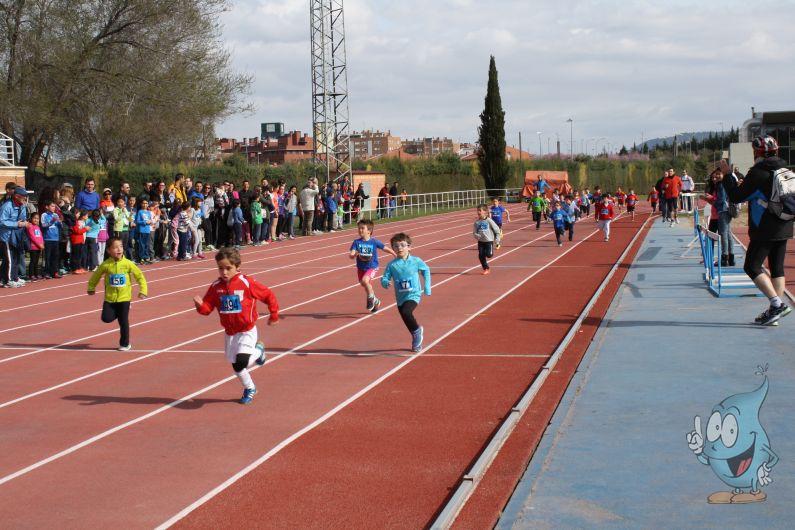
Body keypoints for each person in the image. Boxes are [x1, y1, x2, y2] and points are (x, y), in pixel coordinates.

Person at [719, 136, 793, 326]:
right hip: (785, 224)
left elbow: (736, 196)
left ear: (757, 153)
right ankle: (775, 312)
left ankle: (777, 305)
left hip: (765, 227)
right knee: (777, 268)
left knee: (751, 266)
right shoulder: (785, 170)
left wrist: (727, 175)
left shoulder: (758, 173)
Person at [193, 247, 280, 404]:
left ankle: (258, 352)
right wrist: (200, 306)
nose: (224, 272)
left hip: (247, 330)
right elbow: (207, 309)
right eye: (220, 268)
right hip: (230, 333)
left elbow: (268, 295)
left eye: (228, 268)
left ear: (237, 266)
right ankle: (250, 388)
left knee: (242, 362)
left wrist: (274, 314)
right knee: (237, 367)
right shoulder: (216, 287)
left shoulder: (247, 283)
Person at [87, 237, 148, 351]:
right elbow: (96, 276)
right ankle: (119, 313)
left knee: (123, 321)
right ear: (109, 250)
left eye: (121, 246)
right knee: (106, 318)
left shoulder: (128, 263)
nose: (119, 249)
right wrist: (91, 287)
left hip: (124, 298)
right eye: (115, 247)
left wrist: (143, 290)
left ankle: (125, 344)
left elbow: (140, 276)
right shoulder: (106, 265)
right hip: (110, 298)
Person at [381, 233, 432, 352]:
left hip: (414, 294)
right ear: (393, 249)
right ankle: (415, 336)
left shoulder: (416, 261)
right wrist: (385, 282)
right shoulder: (392, 265)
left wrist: (427, 287)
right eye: (396, 246)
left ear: (409, 247)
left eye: (402, 245)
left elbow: (426, 271)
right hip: (400, 297)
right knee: (405, 316)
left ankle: (417, 332)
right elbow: (385, 277)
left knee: (406, 312)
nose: (399, 248)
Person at [350, 219, 397, 313]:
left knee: (365, 281)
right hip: (361, 268)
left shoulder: (374, 242)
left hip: (372, 267)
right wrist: (354, 255)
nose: (360, 230)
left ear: (369, 231)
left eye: (362, 228)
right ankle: (375, 301)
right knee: (364, 284)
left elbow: (384, 248)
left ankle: (371, 298)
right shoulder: (356, 242)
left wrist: (394, 253)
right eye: (359, 228)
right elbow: (351, 255)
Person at [0, 186, 28, 287]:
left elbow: (23, 219)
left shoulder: (22, 206)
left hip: (17, 236)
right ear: (16, 196)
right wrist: (16, 224)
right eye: (23, 196)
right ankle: (9, 280)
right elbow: (1, 221)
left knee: (16, 257)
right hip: (6, 237)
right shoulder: (7, 206)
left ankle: (14, 277)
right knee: (9, 259)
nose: (25, 198)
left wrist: (24, 222)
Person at [473, 204, 501, 273]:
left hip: (489, 241)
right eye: (477, 210)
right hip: (481, 241)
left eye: (480, 210)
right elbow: (474, 232)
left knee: (489, 255)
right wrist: (477, 235)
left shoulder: (489, 221)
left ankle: (486, 254)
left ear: (485, 212)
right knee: (480, 255)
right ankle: (486, 268)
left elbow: (497, 230)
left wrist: (497, 240)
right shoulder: (477, 222)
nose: (478, 212)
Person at [41, 201, 63, 279]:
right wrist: (51, 222)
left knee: (55, 256)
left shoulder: (56, 215)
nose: (54, 208)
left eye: (54, 206)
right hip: (48, 239)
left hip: (55, 239)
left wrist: (60, 223)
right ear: (47, 207)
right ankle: (46, 272)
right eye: (52, 206)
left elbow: (60, 226)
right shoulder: (44, 215)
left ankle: (54, 272)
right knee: (47, 256)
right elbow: (43, 225)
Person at [134, 199, 154, 264]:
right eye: (143, 203)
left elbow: (150, 220)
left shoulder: (148, 212)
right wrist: (145, 222)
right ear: (141, 204)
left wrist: (151, 222)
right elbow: (138, 221)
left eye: (146, 203)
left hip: (147, 230)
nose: (145, 205)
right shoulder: (140, 212)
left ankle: (146, 257)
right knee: (142, 245)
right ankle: (141, 258)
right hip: (142, 230)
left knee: (147, 245)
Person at [70, 210, 89, 274]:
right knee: (76, 255)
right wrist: (85, 229)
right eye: (78, 214)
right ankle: (75, 268)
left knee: (79, 255)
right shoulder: (74, 222)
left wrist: (83, 240)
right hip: (76, 240)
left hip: (80, 240)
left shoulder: (77, 221)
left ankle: (79, 267)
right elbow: (77, 231)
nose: (79, 215)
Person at [26, 212, 44, 281]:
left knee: (36, 261)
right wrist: (39, 244)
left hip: (39, 247)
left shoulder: (38, 227)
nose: (36, 220)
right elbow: (32, 237)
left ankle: (36, 274)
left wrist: (42, 243)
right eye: (34, 218)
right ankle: (31, 275)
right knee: (33, 261)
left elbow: (40, 236)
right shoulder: (30, 226)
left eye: (37, 218)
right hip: (33, 247)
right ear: (31, 218)